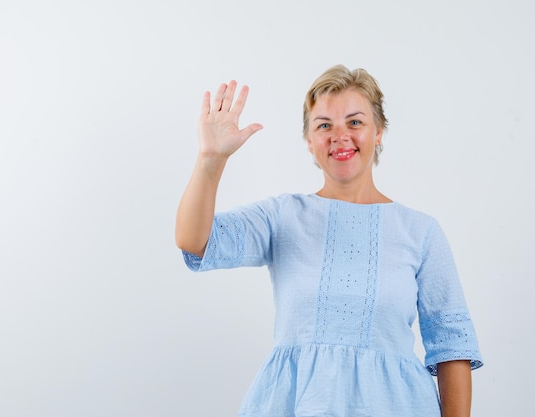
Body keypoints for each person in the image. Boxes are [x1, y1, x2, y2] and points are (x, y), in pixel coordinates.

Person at [175, 65, 483, 417]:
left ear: (378, 131)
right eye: (324, 125)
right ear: (309, 141)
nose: (340, 136)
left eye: (354, 122)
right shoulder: (282, 216)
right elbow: (193, 240)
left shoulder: (422, 231)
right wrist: (210, 160)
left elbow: (451, 345)